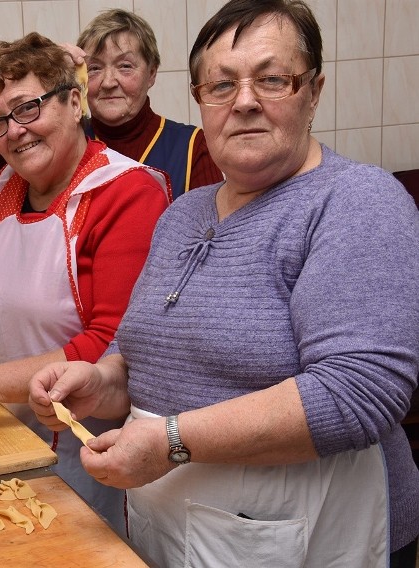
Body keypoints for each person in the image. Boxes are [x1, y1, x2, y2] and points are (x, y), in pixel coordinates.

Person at [28, 1, 419, 566]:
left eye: (272, 79)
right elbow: (141, 358)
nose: (244, 101)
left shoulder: (357, 202)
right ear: (200, 99)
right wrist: (99, 381)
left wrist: (173, 442)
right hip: (168, 523)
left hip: (307, 533)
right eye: (221, 84)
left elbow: (356, 392)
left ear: (314, 91)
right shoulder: (182, 214)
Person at [0, 32, 169, 533]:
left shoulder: (125, 193)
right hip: (5, 440)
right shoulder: (4, 188)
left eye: (28, 108)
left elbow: (113, 343)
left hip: (89, 451)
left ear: (73, 101)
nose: (15, 132)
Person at [0, 9, 224, 202]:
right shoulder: (63, 137)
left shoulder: (191, 146)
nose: (109, 82)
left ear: (152, 73)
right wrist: (52, 75)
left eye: (125, 66)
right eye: (95, 68)